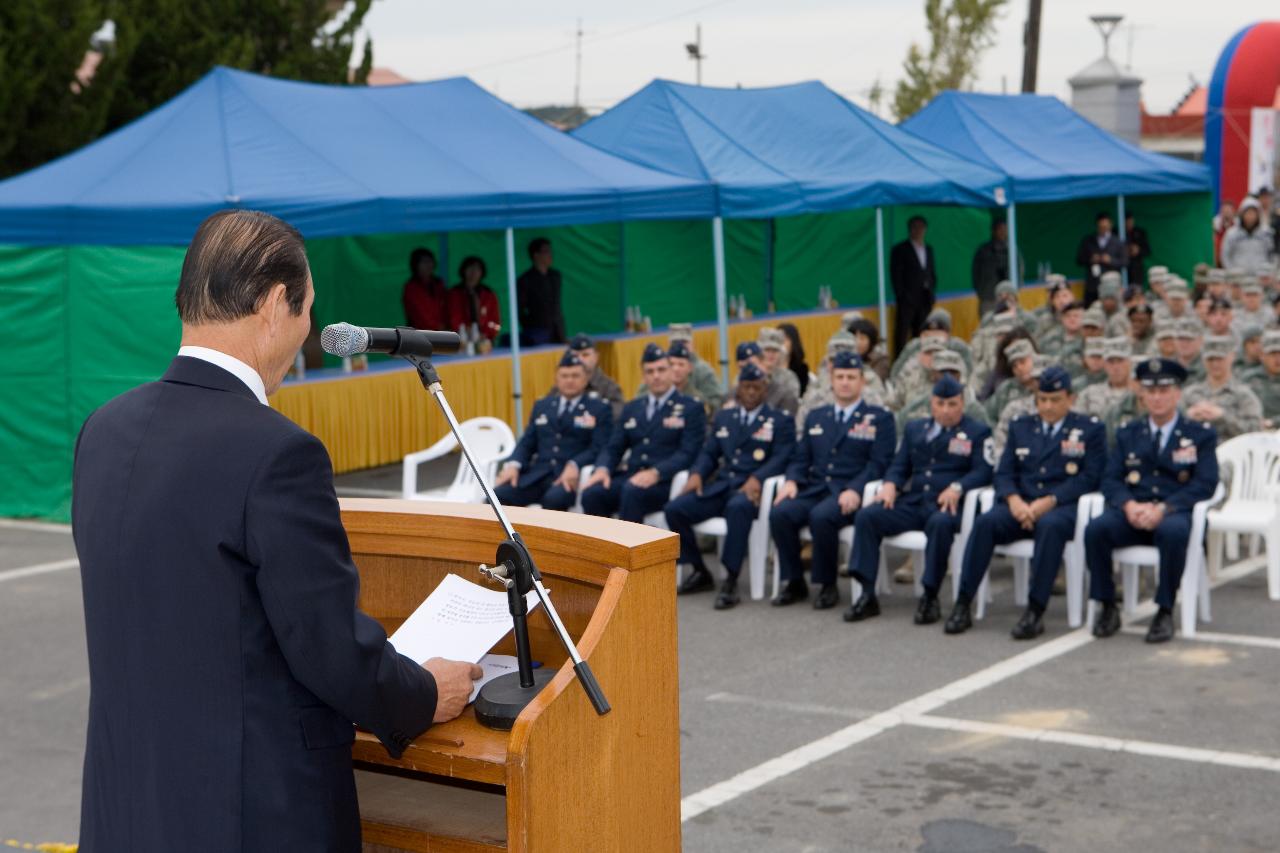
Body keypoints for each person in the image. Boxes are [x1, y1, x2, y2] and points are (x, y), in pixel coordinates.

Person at [71, 210, 482, 851]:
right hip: (248, 815)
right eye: (306, 310)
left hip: (128, 808)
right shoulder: (277, 452)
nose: (308, 332)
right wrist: (425, 692)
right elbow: (329, 651)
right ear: (272, 304)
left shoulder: (104, 430)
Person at [947, 367, 1106, 638]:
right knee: (986, 523)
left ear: (1071, 398)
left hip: (1061, 508)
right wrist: (1013, 500)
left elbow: (1091, 477)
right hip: (1020, 505)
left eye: (1055, 400)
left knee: (1051, 527)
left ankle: (1035, 609)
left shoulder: (1089, 429)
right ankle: (963, 602)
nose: (1047, 406)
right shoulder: (1021, 427)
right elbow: (1005, 471)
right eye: (1042, 399)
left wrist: (1052, 500)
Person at [1084, 358, 1219, 644]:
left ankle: (1165, 609)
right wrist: (1129, 506)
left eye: (1164, 390)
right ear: (1141, 395)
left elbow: (1205, 484)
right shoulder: (1127, 433)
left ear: (1177, 394)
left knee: (1173, 533)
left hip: (1173, 511)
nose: (1157, 398)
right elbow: (1110, 479)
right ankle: (1107, 605)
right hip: (1134, 511)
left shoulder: (1200, 435)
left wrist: (1164, 508)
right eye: (1151, 391)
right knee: (1096, 530)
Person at [844, 374, 994, 624]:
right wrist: (891, 484)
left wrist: (959, 486)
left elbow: (984, 470)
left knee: (940, 524)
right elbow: (900, 464)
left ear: (962, 404)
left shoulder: (977, 432)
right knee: (868, 516)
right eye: (940, 404)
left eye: (952, 404)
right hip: (914, 503)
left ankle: (930, 595)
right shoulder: (916, 429)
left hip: (948, 506)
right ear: (932, 404)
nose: (946, 411)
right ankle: (867, 592)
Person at [769, 352, 896, 610]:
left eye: (851, 377)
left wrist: (856, 489)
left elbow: (879, 464)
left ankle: (827, 585)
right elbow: (801, 456)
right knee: (780, 513)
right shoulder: (817, 416)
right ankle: (794, 581)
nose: (845, 382)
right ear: (832, 381)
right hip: (815, 488)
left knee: (822, 517)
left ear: (862, 382)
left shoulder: (879, 418)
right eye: (840, 377)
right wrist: (792, 480)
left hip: (848, 492)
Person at [667, 364, 797, 608]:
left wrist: (758, 477)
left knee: (738, 508)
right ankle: (699, 569)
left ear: (764, 390)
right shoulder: (725, 417)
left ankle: (731, 579)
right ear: (738, 389)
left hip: (753, 492)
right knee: (675, 510)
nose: (750, 392)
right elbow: (709, 453)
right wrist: (697, 474)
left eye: (756, 388)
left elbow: (783, 456)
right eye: (746, 387)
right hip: (723, 486)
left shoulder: (779, 421)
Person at [581, 344, 706, 522]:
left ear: (671, 372)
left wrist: (656, 472)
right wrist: (603, 468)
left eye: (661, 370)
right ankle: (602, 550)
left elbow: (688, 452)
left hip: (665, 481)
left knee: (632, 492)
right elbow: (614, 446)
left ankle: (629, 549)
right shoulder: (633, 407)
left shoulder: (690, 407)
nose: (656, 376)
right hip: (632, 475)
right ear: (643, 377)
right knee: (592, 493)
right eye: (650, 371)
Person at [493, 351, 613, 510]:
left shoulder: (599, 408)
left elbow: (599, 446)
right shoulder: (542, 406)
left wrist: (575, 464)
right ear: (557, 379)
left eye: (575, 376)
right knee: (497, 496)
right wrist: (514, 464)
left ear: (585, 379)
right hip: (537, 475)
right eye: (564, 376)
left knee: (554, 501)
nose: (569, 380)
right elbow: (527, 442)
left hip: (567, 477)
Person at [1181, 335, 1264, 441]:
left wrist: (1223, 416)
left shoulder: (1243, 395)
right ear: (1203, 359)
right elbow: (1170, 427)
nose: (1215, 364)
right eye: (1211, 359)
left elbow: (1255, 431)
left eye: (1220, 359)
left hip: (1232, 453)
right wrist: (1188, 417)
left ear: (1232, 357)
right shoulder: (1190, 393)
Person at [889, 214, 937, 356]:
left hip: (925, 298)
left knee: (922, 331)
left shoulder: (928, 249)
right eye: (915, 227)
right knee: (902, 333)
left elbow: (931, 272)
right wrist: (901, 296)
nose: (918, 230)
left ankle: (921, 358)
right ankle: (899, 361)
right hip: (907, 299)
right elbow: (895, 275)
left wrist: (932, 290)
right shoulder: (900, 249)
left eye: (921, 227)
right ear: (909, 229)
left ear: (925, 229)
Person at [516, 237, 566, 345]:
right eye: (546, 251)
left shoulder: (555, 276)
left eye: (550, 251)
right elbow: (519, 310)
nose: (550, 254)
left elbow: (557, 306)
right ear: (536, 255)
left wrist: (562, 333)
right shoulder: (525, 280)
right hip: (537, 335)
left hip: (557, 334)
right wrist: (531, 328)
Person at [668, 323, 726, 413]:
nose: (680, 346)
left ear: (692, 344)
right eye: (675, 342)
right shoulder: (661, 369)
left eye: (684, 342)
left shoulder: (703, 370)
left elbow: (718, 402)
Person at [446, 255, 501, 349]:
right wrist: (465, 331)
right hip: (460, 341)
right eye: (470, 268)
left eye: (477, 269)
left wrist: (486, 334)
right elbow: (453, 317)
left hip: (485, 341)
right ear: (463, 271)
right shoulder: (454, 293)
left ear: (482, 272)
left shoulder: (489, 294)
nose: (473, 272)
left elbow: (495, 322)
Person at [735, 339, 800, 416]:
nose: (750, 370)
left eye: (753, 364)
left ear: (762, 363)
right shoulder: (736, 389)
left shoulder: (783, 391)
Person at [1075, 211, 1126, 306]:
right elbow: (1079, 259)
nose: (1103, 229)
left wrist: (1110, 260)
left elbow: (1125, 262)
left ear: (1110, 225)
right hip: (1092, 285)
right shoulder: (1088, 240)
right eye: (1101, 227)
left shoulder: (1118, 242)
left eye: (1105, 227)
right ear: (1097, 226)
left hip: (1112, 285)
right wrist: (1091, 259)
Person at [568, 333, 624, 419]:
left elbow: (617, 415)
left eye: (585, 355)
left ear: (596, 357)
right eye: (575, 355)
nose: (580, 359)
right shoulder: (562, 387)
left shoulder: (609, 387)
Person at [1075, 338, 1134, 418]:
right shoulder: (1089, 394)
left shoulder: (1139, 395)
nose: (1116, 367)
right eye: (1111, 362)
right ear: (1105, 365)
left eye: (1120, 361)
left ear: (1129, 363)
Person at [1221, 197, 1275, 275]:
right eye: (1247, 213)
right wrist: (1231, 272)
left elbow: (1272, 255)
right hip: (1238, 279)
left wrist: (1268, 272)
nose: (1250, 216)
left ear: (1258, 215)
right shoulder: (1232, 233)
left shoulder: (1266, 233)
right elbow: (1225, 255)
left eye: (1253, 213)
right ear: (1242, 214)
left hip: (1260, 279)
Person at [757, 327, 802, 415]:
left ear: (781, 353)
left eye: (775, 350)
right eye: (767, 350)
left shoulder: (789, 378)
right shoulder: (749, 375)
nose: (771, 354)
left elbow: (791, 405)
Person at [971, 217, 1011, 316]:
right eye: (1000, 229)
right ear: (993, 231)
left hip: (1008, 297)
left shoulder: (1011, 249)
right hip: (988, 298)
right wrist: (982, 293)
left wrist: (1014, 291)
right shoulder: (983, 250)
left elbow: (1019, 269)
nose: (1002, 232)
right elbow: (975, 273)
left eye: (1004, 229)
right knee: (988, 327)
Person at [402, 247, 448, 330]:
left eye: (430, 261)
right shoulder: (411, 288)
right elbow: (421, 316)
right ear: (415, 265)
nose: (428, 265)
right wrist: (440, 328)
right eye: (424, 262)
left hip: (441, 332)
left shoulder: (438, 284)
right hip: (420, 334)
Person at [1246, 330, 1280, 427]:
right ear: (1262, 355)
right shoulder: (1250, 378)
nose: (1277, 358)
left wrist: (1273, 422)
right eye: (1272, 354)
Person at [848, 316, 890, 381]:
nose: (857, 342)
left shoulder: (881, 359)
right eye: (854, 338)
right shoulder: (846, 355)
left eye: (862, 338)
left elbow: (874, 382)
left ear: (871, 341)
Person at [778, 321, 812, 396]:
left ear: (793, 342)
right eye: (779, 340)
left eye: (785, 339)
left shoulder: (801, 369)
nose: (781, 343)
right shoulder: (770, 368)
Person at [1123, 213, 1150, 286]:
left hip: (1137, 270)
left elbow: (1147, 251)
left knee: (1137, 291)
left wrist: (1138, 250)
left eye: (1130, 221)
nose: (1129, 224)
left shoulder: (1140, 232)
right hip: (1122, 269)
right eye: (1126, 222)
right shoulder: (1117, 232)